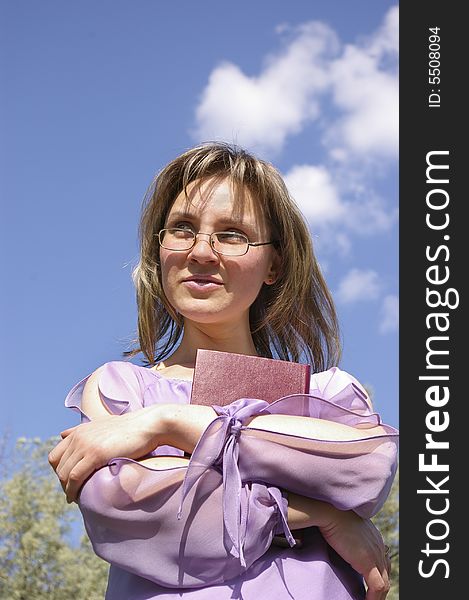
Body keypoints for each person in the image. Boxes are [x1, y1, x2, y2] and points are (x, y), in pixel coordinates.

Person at [49, 142, 398, 600]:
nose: (201, 252)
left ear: (274, 263)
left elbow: (364, 466)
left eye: (232, 234)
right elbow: (139, 511)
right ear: (160, 250)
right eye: (182, 229)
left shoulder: (329, 393)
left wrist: (169, 423)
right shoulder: (120, 390)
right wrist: (320, 512)